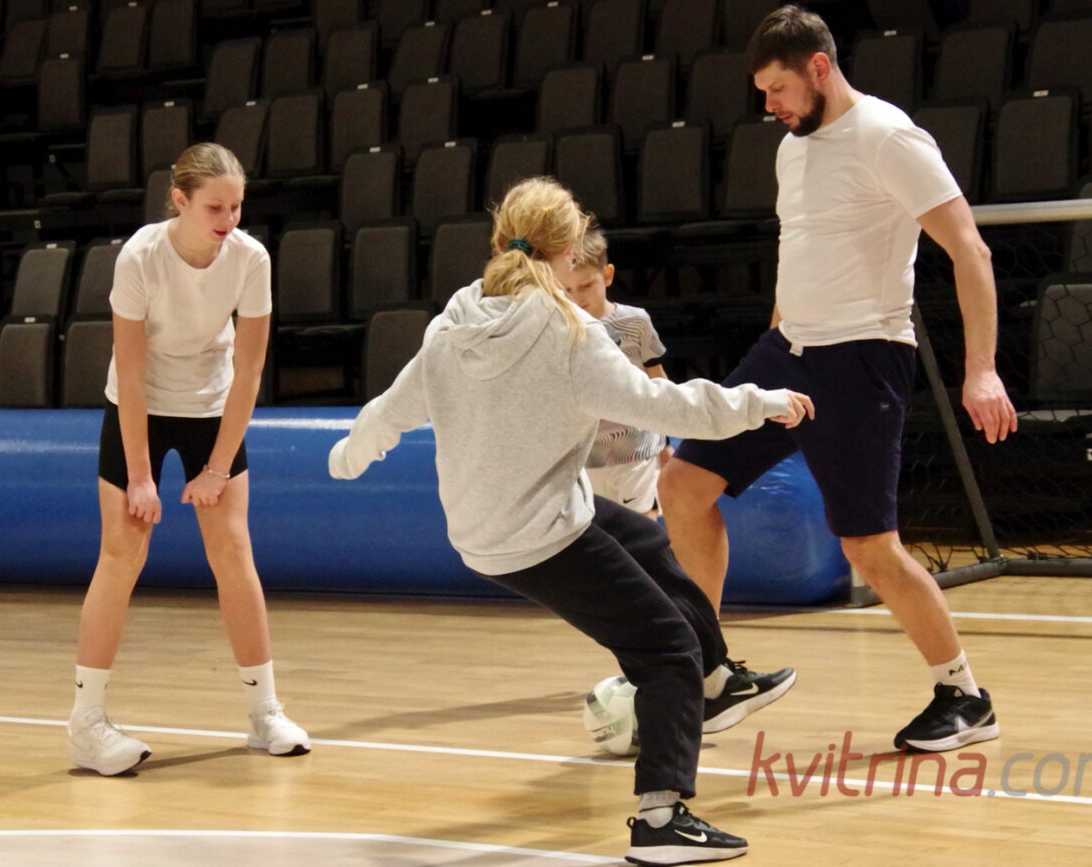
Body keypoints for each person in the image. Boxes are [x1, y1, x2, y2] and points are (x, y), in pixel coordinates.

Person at [327, 177, 814, 866]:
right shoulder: (568, 333)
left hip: (495, 524)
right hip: (539, 536)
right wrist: (761, 402)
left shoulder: (451, 325)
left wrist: (348, 456)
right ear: (569, 251)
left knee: (650, 546)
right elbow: (665, 407)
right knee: (665, 649)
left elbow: (392, 409)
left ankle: (717, 681)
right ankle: (662, 819)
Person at [658, 5, 1019, 754]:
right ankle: (709, 672)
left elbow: (970, 251)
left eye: (778, 87)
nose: (770, 104)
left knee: (868, 548)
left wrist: (981, 369)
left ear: (819, 68)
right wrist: (772, 340)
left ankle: (964, 694)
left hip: (861, 359)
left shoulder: (889, 137)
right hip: (786, 351)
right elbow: (800, 252)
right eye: (763, 91)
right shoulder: (792, 148)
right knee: (682, 483)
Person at [67, 143, 310, 776]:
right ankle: (86, 725)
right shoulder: (140, 255)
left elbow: (249, 370)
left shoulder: (250, 258)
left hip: (212, 406)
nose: (229, 219)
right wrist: (140, 477)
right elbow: (131, 368)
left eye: (236, 206)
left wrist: (217, 468)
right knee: (122, 552)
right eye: (214, 208)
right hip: (139, 405)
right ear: (180, 201)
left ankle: (265, 713)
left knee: (233, 549)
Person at [563, 227, 674, 518]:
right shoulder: (558, 330)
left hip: (637, 449)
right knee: (597, 534)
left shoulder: (636, 322)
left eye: (586, 285)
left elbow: (658, 381)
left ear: (607, 275)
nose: (577, 297)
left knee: (643, 529)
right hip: (584, 458)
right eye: (567, 290)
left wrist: (665, 444)